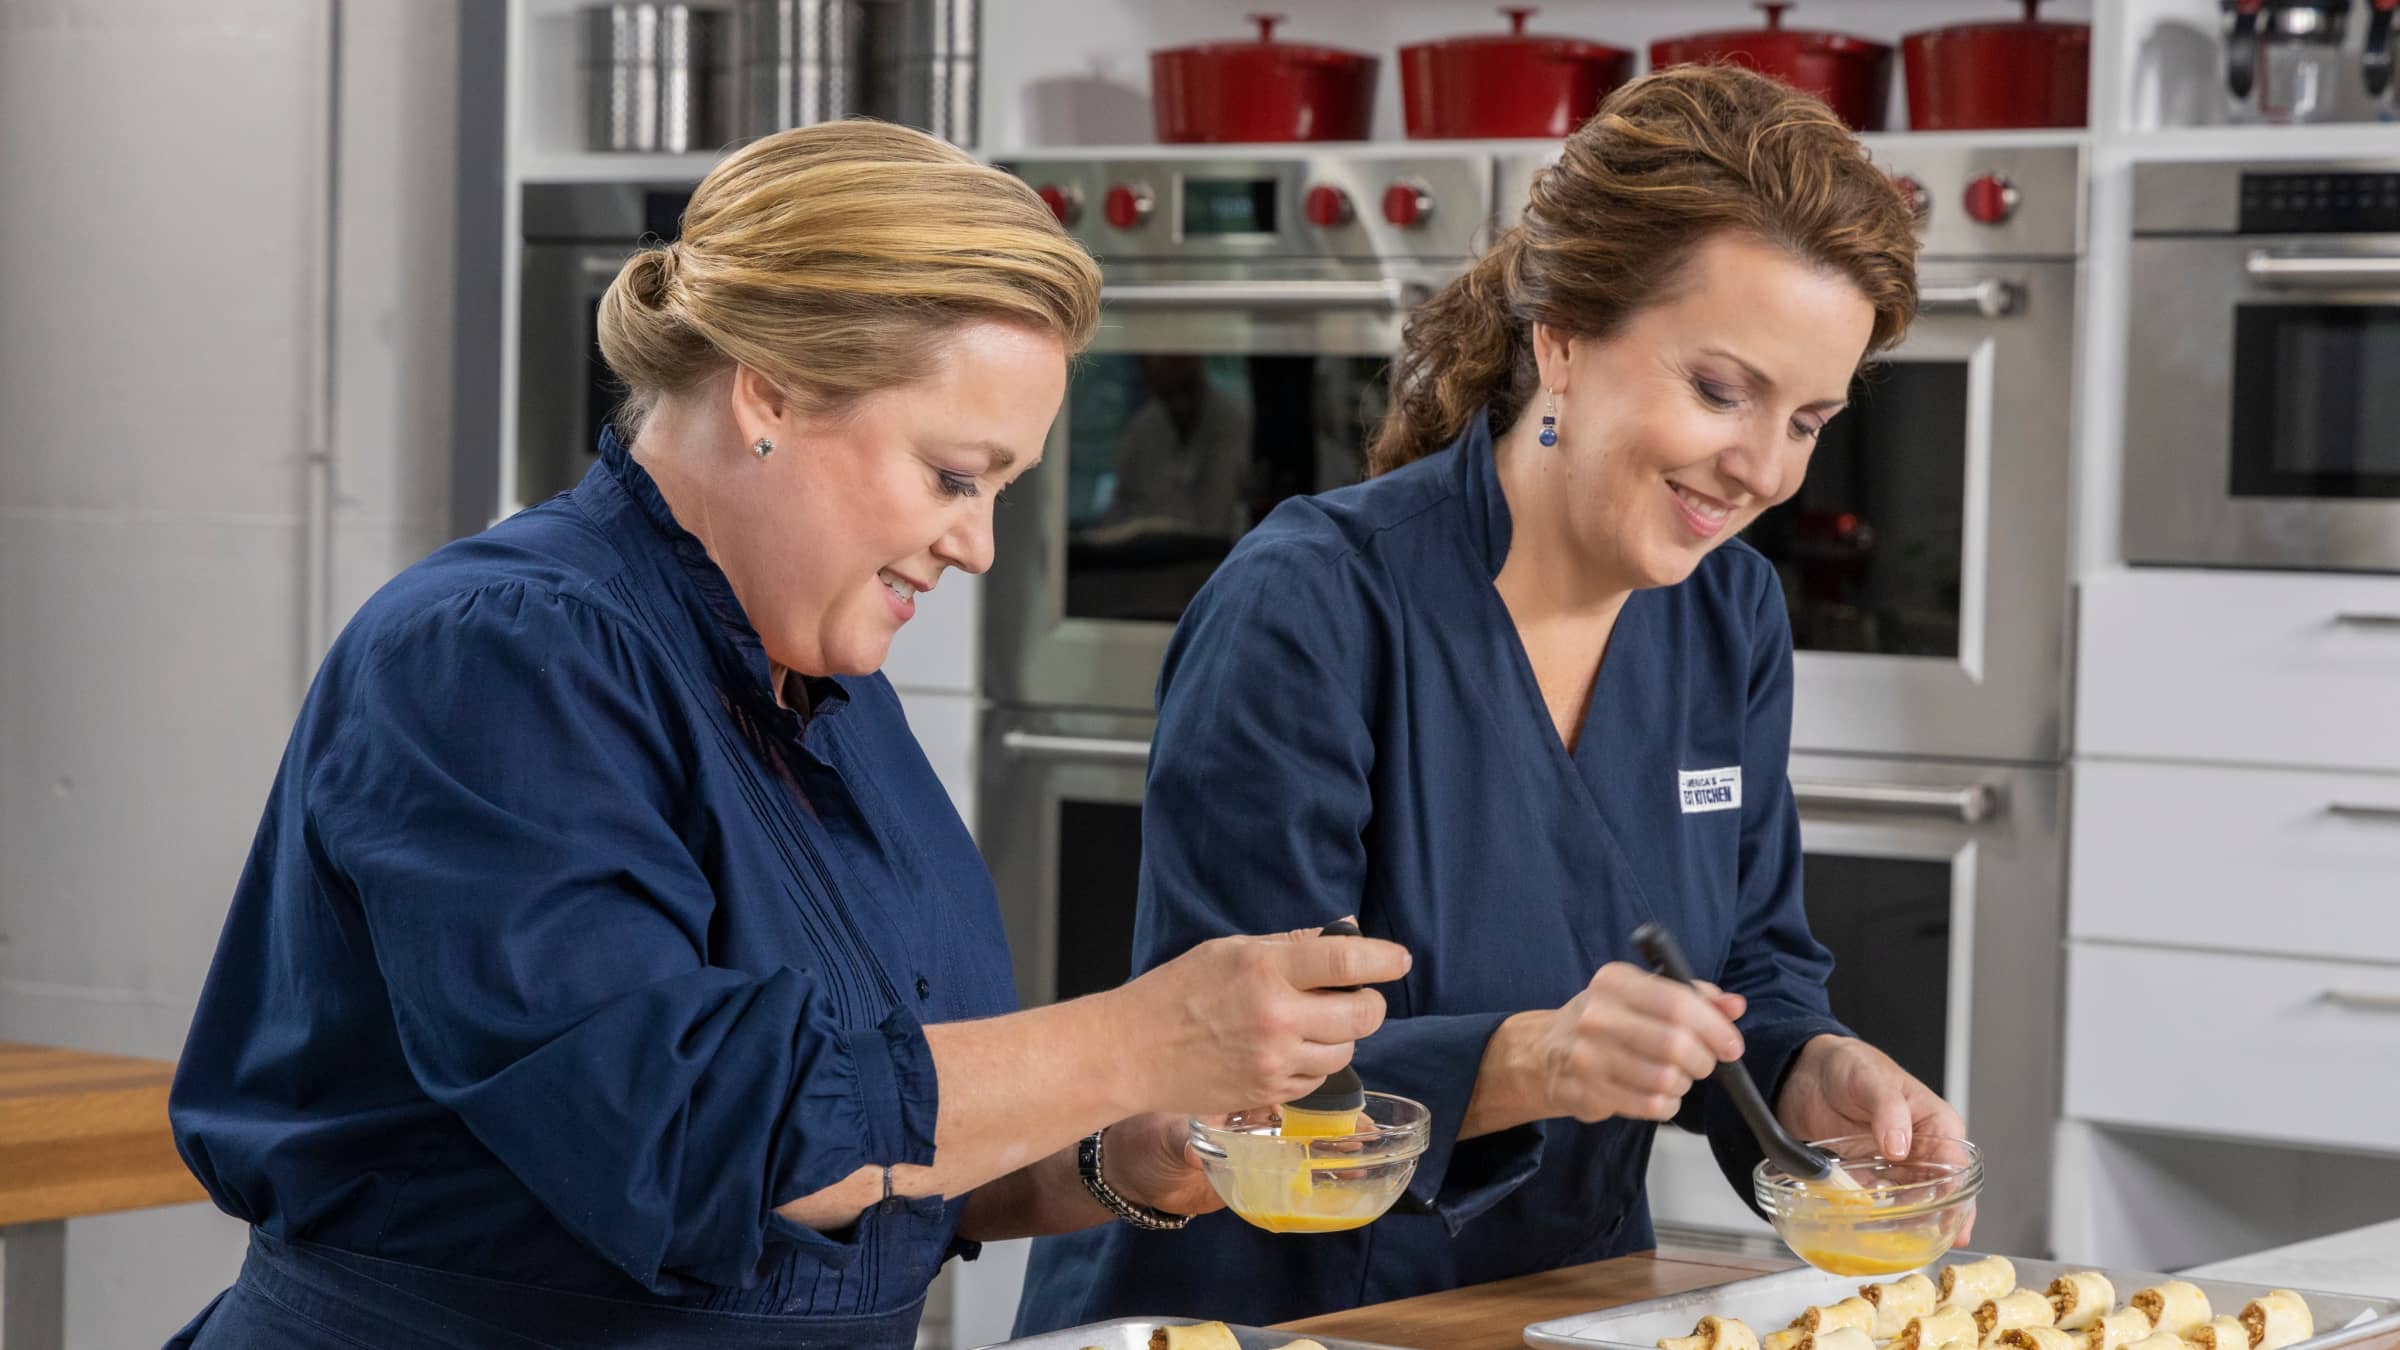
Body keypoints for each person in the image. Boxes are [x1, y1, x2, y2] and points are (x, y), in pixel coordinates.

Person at [166, 121, 1408, 1350]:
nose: (975, 544)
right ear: (770, 394)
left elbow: (876, 1153)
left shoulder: (826, 681)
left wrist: (1115, 1156)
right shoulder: (497, 655)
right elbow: (683, 1145)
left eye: (1004, 491)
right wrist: (1148, 1034)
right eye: (953, 475)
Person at [1016, 64, 1961, 1333]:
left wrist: (1808, 1074)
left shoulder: (1728, 616)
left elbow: (1752, 968)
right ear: (1560, 336)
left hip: (1566, 1299)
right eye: (1721, 391)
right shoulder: (1311, 607)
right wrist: (1539, 1060)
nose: (1760, 468)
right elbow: (1229, 1069)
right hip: (1267, 1311)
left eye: (1808, 419)